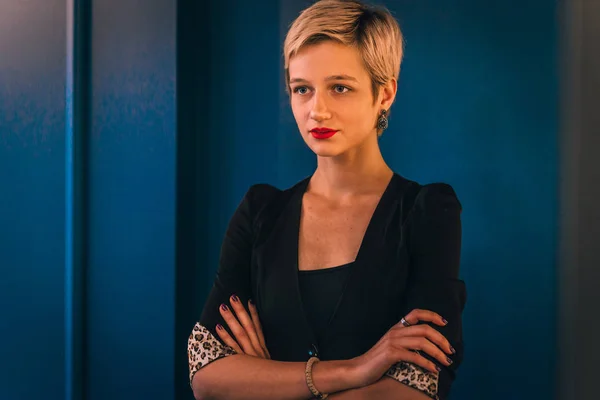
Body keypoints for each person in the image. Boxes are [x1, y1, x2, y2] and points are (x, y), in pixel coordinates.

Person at [187, 0, 466, 399]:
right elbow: (206, 374)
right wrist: (354, 370)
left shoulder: (428, 212)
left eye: (340, 88)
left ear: (384, 94)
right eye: (302, 89)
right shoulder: (260, 211)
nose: (317, 110)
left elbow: (417, 387)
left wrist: (266, 381)